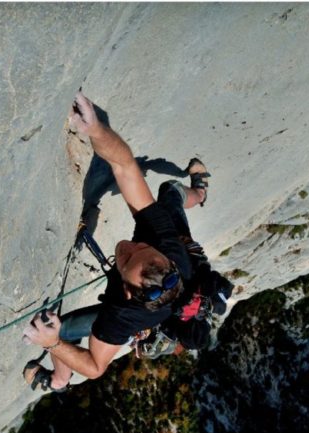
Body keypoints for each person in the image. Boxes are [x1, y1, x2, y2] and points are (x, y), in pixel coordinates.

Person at [22, 91, 211, 392]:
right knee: (171, 191)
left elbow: (96, 367)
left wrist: (53, 342)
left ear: (125, 288)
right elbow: (125, 167)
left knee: (66, 329)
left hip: (138, 313)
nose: (128, 246)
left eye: (125, 259)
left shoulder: (122, 316)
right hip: (170, 256)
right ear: (160, 255)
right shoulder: (164, 243)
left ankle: (58, 380)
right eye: (141, 247)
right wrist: (96, 129)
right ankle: (200, 194)